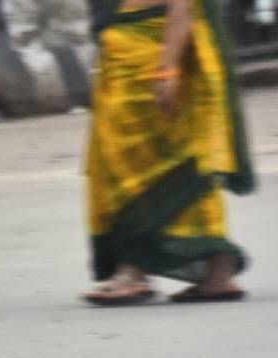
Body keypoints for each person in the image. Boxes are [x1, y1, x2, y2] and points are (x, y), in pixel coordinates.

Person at [82, 0, 255, 305]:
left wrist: (167, 69)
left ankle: (133, 271)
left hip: (152, 52)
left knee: (131, 166)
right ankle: (218, 271)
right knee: (183, 158)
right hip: (134, 49)